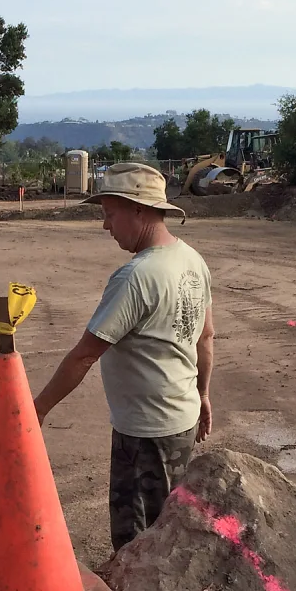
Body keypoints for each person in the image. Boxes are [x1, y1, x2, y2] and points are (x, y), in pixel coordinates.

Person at [33, 161, 214, 551]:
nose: (105, 226)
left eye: (109, 214)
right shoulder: (192, 260)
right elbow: (205, 337)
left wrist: (39, 409)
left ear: (138, 210)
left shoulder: (136, 276)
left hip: (146, 432)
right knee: (168, 524)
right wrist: (203, 395)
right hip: (180, 418)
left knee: (139, 541)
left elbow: (84, 356)